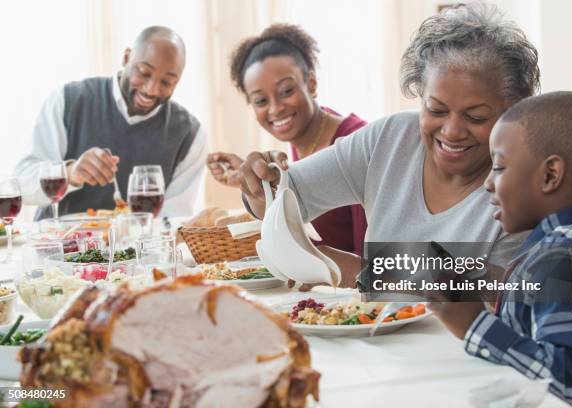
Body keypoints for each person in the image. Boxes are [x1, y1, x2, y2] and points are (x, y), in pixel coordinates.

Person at [238, 4, 540, 286]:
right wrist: (260, 186)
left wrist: (345, 267)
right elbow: (285, 197)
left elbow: (484, 293)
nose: (452, 131)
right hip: (374, 335)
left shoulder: (524, 190)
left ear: (513, 112)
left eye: (475, 117)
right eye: (436, 110)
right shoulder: (390, 139)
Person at [431, 91, 572, 407]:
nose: (488, 182)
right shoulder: (566, 250)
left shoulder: (565, 257)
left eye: (498, 168)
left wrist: (476, 325)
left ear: (550, 175)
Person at [206, 24, 368, 256]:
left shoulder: (355, 145)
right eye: (261, 101)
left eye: (286, 91)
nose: (276, 109)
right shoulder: (302, 141)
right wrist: (257, 184)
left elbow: (376, 263)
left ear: (311, 83)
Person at [15, 26, 206, 219]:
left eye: (166, 82)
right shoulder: (68, 101)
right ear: (126, 57)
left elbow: (173, 218)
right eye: (144, 73)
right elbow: (21, 182)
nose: (151, 90)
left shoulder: (190, 135)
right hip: (58, 245)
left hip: (136, 248)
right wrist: (70, 173)